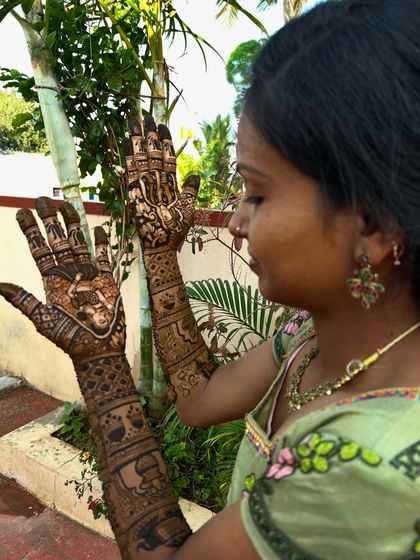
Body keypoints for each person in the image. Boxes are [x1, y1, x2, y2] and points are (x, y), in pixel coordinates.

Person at [1, 0, 420, 557]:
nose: (239, 221)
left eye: (258, 192)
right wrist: (159, 251)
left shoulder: (363, 462)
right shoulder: (309, 340)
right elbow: (197, 401)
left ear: (373, 225)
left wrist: (101, 368)